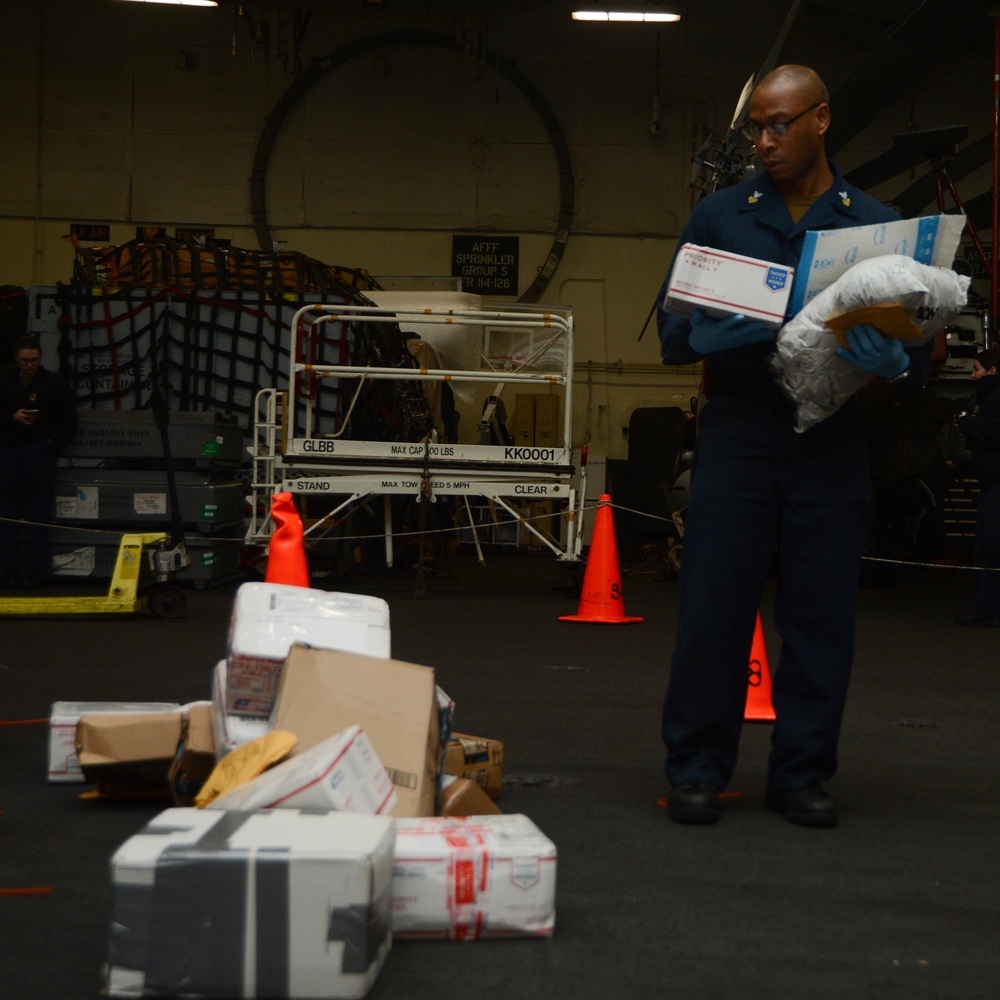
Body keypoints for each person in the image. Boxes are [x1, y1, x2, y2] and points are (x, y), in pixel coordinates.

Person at [656, 65, 933, 827]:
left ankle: (802, 774)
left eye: (780, 124)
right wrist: (699, 333)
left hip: (834, 438)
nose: (765, 140)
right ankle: (697, 770)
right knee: (713, 609)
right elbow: (670, 333)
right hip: (740, 431)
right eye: (757, 127)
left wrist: (899, 364)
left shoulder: (876, 225)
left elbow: (921, 361)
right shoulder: (720, 215)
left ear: (821, 119)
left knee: (821, 618)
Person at [0, 335, 77, 588]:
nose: (29, 364)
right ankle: (8, 569)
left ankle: (35, 572)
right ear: (16, 358)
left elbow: (69, 420)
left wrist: (51, 443)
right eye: (24, 360)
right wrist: (12, 417)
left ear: (40, 357)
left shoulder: (54, 384)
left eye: (33, 360)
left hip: (38, 451)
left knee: (38, 513)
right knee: (6, 513)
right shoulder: (4, 383)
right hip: (9, 450)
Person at [953, 347, 1000, 627]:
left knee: (991, 545)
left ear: (992, 372)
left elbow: (996, 431)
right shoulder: (989, 397)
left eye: (977, 369)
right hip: (991, 482)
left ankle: (990, 609)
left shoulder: (994, 398)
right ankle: (988, 607)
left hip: (996, 483)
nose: (973, 374)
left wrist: (967, 424)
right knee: (986, 545)